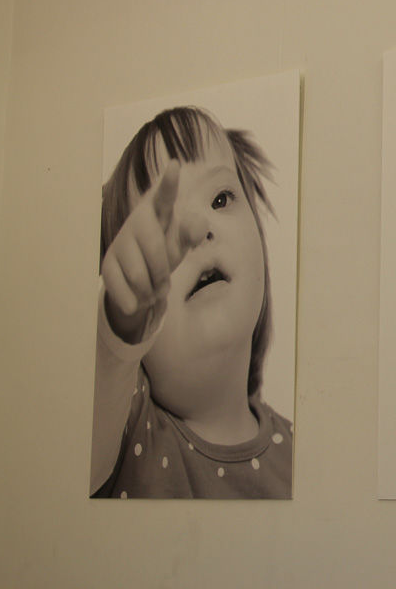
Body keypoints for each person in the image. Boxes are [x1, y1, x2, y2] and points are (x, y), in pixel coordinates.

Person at [90, 106, 292, 498]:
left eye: (220, 199)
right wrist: (121, 325)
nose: (199, 231)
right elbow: (92, 423)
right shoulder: (125, 430)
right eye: (164, 227)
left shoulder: (299, 451)